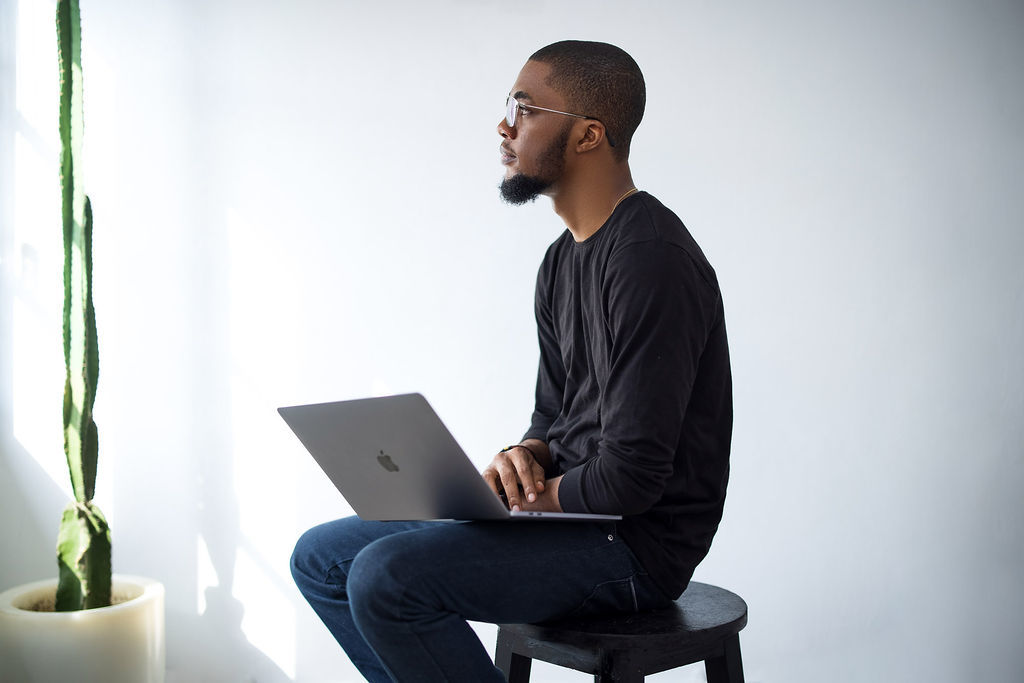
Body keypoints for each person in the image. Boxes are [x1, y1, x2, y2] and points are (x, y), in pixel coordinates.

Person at [290, 40, 733, 682]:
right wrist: (522, 459)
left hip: (635, 547)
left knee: (388, 578)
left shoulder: (650, 259)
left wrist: (528, 504)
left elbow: (633, 478)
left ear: (587, 135)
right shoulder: (560, 262)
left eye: (523, 107)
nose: (504, 125)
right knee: (322, 557)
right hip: (574, 518)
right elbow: (554, 415)